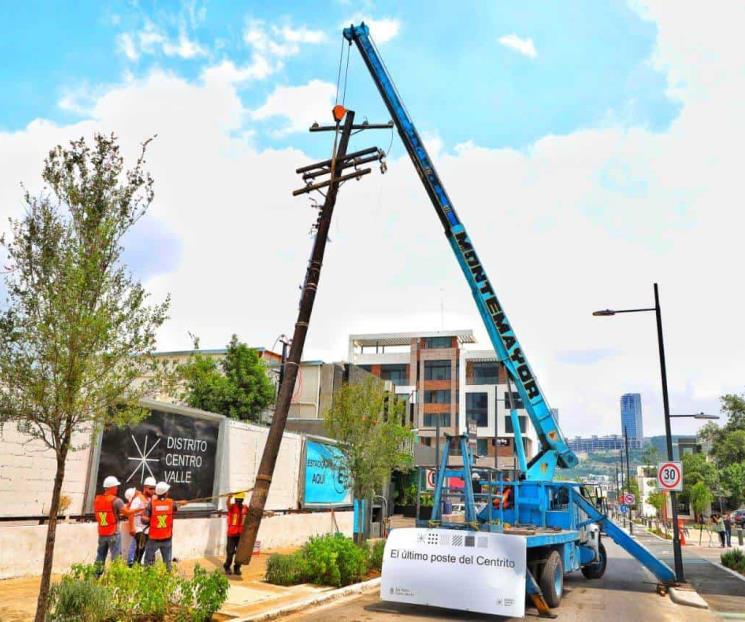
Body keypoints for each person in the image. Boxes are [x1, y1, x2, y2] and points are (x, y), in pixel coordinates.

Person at [142, 481, 188, 570]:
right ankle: (168, 577)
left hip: (153, 538)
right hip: (167, 537)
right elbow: (175, 506)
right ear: (165, 493)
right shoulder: (171, 503)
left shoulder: (151, 504)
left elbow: (144, 520)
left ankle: (147, 577)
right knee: (167, 563)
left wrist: (151, 521)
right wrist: (182, 503)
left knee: (148, 561)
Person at [94, 475, 127, 575]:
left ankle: (95, 577)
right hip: (113, 533)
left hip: (102, 533)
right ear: (111, 488)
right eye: (116, 487)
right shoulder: (116, 500)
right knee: (116, 557)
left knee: (100, 556)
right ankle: (116, 578)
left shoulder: (97, 499)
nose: (117, 488)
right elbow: (127, 512)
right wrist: (138, 510)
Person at [224, 492, 248, 576]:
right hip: (231, 534)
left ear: (242, 500)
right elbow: (228, 504)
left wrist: (266, 513)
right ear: (235, 500)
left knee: (240, 553)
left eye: (240, 500)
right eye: (237, 500)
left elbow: (252, 514)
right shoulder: (232, 507)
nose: (238, 502)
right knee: (230, 553)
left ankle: (237, 568)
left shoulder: (245, 508)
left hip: (240, 534)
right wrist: (229, 497)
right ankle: (227, 567)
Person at [125, 486, 148, 566]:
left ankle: (132, 561)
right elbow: (131, 513)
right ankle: (131, 562)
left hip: (141, 527)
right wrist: (132, 528)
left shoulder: (139, 498)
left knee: (136, 544)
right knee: (136, 544)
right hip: (139, 527)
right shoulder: (137, 500)